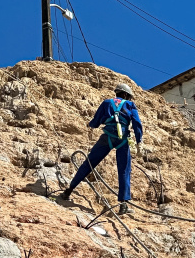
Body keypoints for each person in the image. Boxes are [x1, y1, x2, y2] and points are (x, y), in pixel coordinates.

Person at [61, 83, 143, 215]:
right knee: (124, 170)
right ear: (126, 95)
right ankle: (123, 205)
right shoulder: (130, 105)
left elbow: (96, 121)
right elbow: (137, 124)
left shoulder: (106, 103)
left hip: (107, 137)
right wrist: (139, 141)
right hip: (122, 139)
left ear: (117, 92)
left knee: (89, 163)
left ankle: (68, 191)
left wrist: (90, 124)